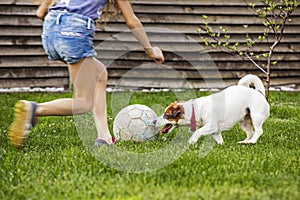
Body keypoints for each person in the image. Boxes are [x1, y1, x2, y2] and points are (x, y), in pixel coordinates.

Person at [8, 0, 164, 148]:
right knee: (84, 102)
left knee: (100, 74)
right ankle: (35, 109)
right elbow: (132, 21)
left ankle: (104, 137)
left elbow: (40, 12)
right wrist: (151, 51)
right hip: (73, 33)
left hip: (50, 30)